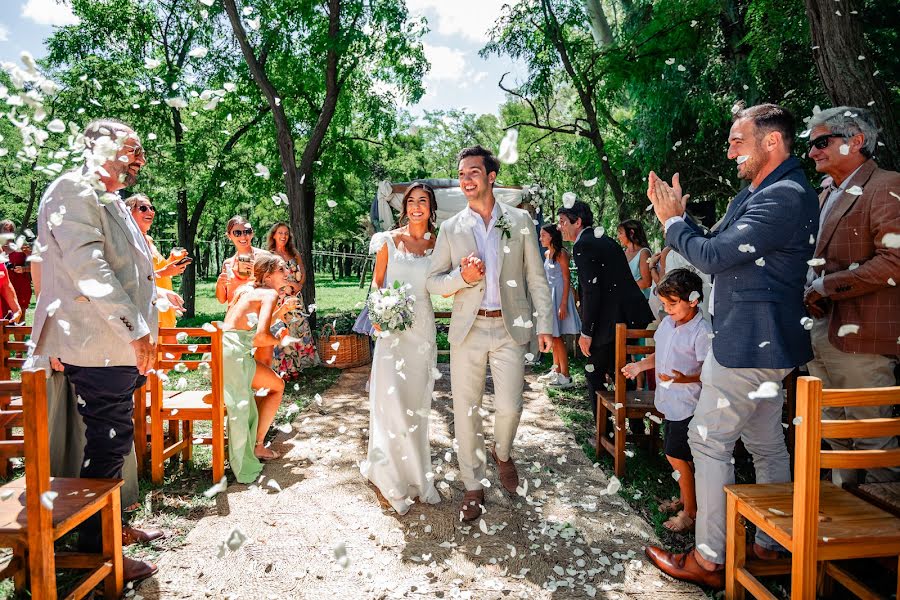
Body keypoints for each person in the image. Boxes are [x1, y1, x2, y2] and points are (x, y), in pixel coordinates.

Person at [644, 103, 819, 589]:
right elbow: (716, 241)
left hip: (748, 342)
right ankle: (770, 544)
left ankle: (709, 558)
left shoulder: (783, 195)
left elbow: (716, 257)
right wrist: (682, 219)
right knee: (765, 444)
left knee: (708, 439)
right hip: (766, 345)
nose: (729, 152)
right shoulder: (759, 193)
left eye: (737, 142)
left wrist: (671, 223)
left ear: (772, 142)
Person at [31, 118, 180, 583]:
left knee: (113, 440)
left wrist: (153, 307)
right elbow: (88, 268)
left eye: (141, 152)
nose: (139, 159)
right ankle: (98, 548)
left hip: (117, 347)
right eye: (130, 149)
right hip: (99, 344)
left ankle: (109, 525)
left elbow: (134, 273)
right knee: (108, 442)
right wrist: (135, 330)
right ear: (96, 145)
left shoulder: (112, 199)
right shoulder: (73, 189)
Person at [426, 145, 553, 521]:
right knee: (466, 411)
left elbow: (536, 278)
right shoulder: (450, 228)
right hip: (468, 329)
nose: (466, 180)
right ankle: (473, 485)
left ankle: (503, 453)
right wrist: (460, 278)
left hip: (510, 327)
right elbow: (433, 282)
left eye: (473, 173)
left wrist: (544, 325)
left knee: (510, 407)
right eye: (461, 174)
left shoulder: (520, 222)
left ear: (491, 176)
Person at [803, 106, 900, 485]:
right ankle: (840, 531)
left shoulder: (886, 185)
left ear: (856, 141)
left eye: (822, 142)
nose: (812, 152)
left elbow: (894, 261)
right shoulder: (826, 193)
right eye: (812, 145)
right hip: (821, 331)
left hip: (864, 339)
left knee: (875, 445)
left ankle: (879, 539)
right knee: (833, 441)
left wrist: (827, 285)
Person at [361, 182, 442, 515]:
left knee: (417, 403)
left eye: (423, 201)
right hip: (392, 332)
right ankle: (389, 474)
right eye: (411, 201)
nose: (417, 206)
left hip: (422, 329)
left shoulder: (439, 245)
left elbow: (443, 283)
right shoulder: (388, 242)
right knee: (391, 402)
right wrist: (379, 314)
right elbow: (377, 284)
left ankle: (417, 475)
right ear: (404, 207)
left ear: (431, 208)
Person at [557, 201, 654, 442]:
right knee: (621, 371)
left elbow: (592, 291)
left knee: (593, 374)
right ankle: (637, 429)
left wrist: (586, 332)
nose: (560, 228)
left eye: (562, 222)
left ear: (577, 222)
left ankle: (606, 434)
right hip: (626, 319)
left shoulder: (584, 245)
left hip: (607, 323)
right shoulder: (605, 239)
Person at [622, 269, 711, 533]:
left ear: (693, 300)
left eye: (673, 304)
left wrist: (684, 379)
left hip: (689, 405)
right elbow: (659, 357)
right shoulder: (668, 324)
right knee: (676, 454)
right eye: (664, 304)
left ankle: (690, 512)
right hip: (669, 402)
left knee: (676, 455)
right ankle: (684, 498)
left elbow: (709, 373)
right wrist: (640, 367)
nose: (667, 309)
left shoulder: (701, 331)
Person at [222, 251, 294, 469]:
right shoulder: (269, 294)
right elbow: (260, 337)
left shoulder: (248, 290)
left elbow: (246, 327)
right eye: (281, 269)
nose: (287, 272)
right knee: (277, 386)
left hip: (223, 354)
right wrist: (283, 341)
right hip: (235, 358)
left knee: (269, 385)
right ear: (269, 275)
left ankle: (254, 441)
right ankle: (258, 445)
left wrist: (280, 313)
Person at [125, 194, 188, 329]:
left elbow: (160, 271)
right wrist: (164, 272)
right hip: (147, 308)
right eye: (143, 208)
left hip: (164, 304)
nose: (150, 211)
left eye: (152, 208)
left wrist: (173, 260)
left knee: (170, 349)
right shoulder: (128, 241)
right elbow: (130, 278)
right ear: (129, 212)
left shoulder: (149, 240)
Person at [265, 222, 319, 377]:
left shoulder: (293, 252)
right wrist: (288, 284)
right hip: (280, 300)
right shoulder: (269, 255)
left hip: (296, 297)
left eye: (286, 233)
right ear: (274, 235)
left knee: (299, 330)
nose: (283, 236)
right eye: (280, 233)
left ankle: (300, 365)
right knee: (283, 331)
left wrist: (299, 285)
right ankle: (284, 368)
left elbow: (303, 272)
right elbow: (267, 279)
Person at [537, 223, 580, 389]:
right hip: (550, 297)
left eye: (543, 235)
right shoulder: (547, 253)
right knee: (552, 334)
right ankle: (556, 370)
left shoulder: (562, 254)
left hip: (560, 297)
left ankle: (565, 376)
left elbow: (567, 279)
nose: (541, 238)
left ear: (552, 236)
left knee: (557, 336)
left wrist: (563, 304)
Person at [216, 216, 262, 306]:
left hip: (257, 316)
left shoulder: (263, 257)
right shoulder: (228, 264)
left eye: (247, 232)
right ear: (229, 236)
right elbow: (222, 300)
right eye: (237, 233)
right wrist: (219, 284)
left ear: (252, 233)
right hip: (234, 316)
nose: (243, 236)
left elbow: (275, 290)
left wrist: (256, 273)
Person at [0, 220, 32, 321]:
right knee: (3, 319)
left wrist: (24, 269)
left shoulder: (21, 246)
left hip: (20, 286)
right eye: (5, 229)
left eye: (11, 229)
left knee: (19, 319)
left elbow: (37, 266)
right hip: (3, 287)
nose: (8, 232)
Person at [617, 219, 653, 299]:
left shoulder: (644, 253)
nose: (618, 237)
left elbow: (646, 283)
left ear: (631, 233)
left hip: (641, 300)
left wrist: (622, 286)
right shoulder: (623, 253)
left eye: (620, 233)